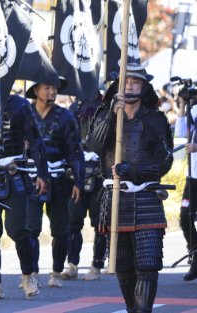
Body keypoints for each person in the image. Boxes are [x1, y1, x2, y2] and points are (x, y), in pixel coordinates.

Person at [86, 62, 173, 313]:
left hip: (145, 196)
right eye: (125, 82)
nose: (130, 86)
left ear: (144, 86)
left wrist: (135, 171)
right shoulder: (105, 114)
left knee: (147, 264)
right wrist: (113, 115)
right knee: (123, 266)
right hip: (114, 198)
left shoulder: (155, 119)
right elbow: (94, 145)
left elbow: (164, 161)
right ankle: (131, 309)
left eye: (135, 82)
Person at [0, 91, 49, 299]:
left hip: (15, 174)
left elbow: (36, 141)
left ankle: (28, 275)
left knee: (18, 229)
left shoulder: (19, 105)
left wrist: (42, 173)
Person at [26, 74, 83, 287]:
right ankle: (30, 272)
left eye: (54, 88)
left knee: (61, 229)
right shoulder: (25, 114)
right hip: (31, 179)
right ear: (36, 89)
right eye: (47, 88)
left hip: (59, 179)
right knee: (30, 229)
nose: (51, 92)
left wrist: (78, 181)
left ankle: (57, 272)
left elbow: (75, 152)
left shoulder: (66, 117)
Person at [67, 91, 107, 280]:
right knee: (74, 219)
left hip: (100, 171)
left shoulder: (108, 108)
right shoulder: (74, 108)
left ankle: (96, 265)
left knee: (99, 221)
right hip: (78, 170)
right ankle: (72, 264)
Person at [175, 89, 197, 281]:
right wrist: (183, 103)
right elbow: (181, 131)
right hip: (193, 178)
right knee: (185, 217)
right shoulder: (194, 110)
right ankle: (195, 257)